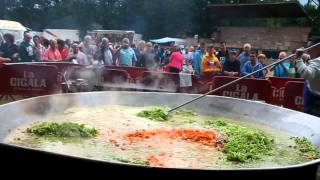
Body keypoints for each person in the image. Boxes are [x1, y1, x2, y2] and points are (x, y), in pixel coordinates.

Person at [294, 48, 320, 117]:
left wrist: (298, 59)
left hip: (315, 99)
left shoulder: (318, 61)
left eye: (310, 49)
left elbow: (306, 74)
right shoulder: (315, 61)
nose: (308, 52)